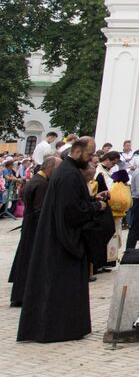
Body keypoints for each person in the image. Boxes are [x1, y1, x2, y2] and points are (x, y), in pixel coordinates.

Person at [17, 138, 108, 342]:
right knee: (57, 286)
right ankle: (57, 328)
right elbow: (71, 212)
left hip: (58, 238)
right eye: (89, 153)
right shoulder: (68, 175)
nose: (91, 157)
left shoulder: (69, 172)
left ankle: (65, 327)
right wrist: (95, 207)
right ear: (76, 151)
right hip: (62, 242)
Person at [9, 156, 57, 306]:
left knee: (26, 260)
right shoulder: (41, 183)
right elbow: (39, 209)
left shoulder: (37, 180)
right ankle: (23, 296)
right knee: (29, 261)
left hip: (30, 224)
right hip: (34, 227)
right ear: (49, 168)